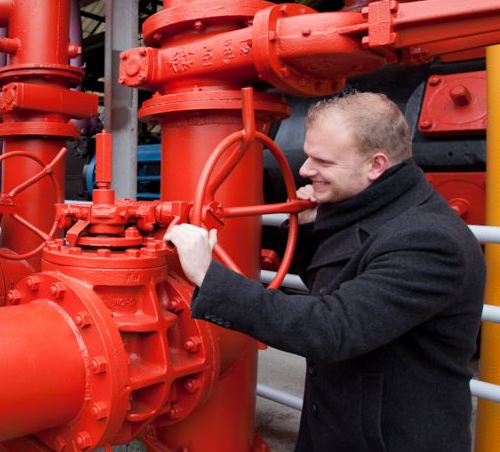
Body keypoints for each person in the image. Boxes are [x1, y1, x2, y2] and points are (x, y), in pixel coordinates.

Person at [165, 92, 485, 451]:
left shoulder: (428, 241)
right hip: (343, 424)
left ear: (376, 165)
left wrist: (209, 275)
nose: (304, 170)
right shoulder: (370, 207)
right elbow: (336, 284)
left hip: (391, 438)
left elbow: (332, 328)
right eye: (307, 155)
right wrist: (311, 228)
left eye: (323, 161)